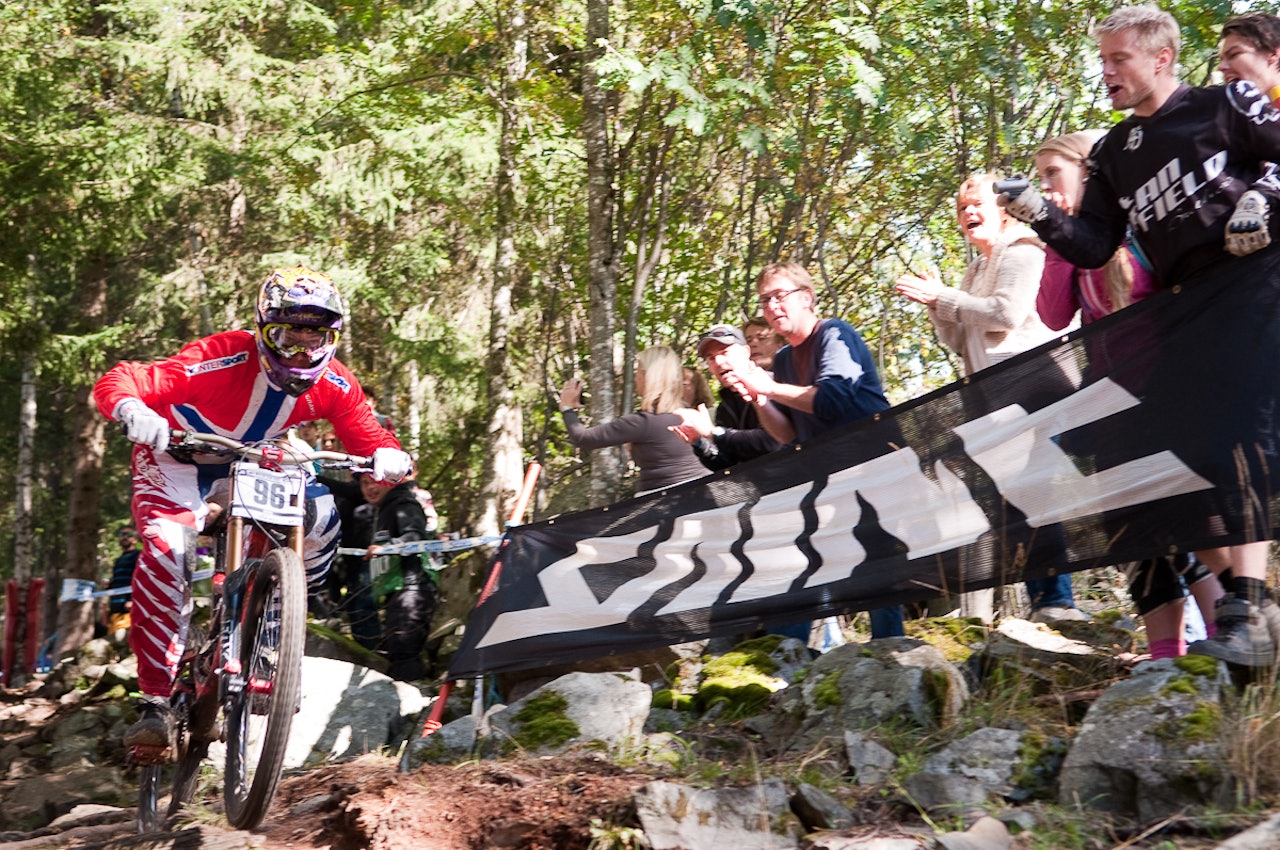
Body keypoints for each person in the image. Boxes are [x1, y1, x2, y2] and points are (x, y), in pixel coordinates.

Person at [998, 5, 1280, 667]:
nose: (1106, 73)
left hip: (1253, 282)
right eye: (1102, 61)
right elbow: (1095, 247)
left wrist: (1264, 197)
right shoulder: (1113, 152)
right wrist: (1037, 212)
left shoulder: (1228, 103)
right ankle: (1251, 609)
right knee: (1159, 463)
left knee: (1233, 439)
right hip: (1186, 310)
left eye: (1118, 59)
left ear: (1161, 58)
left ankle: (1245, 601)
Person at [93, 265, 412, 749]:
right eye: (289, 337)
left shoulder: (335, 383)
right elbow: (128, 377)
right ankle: (155, 700)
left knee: (323, 517)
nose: (303, 351)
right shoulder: (219, 357)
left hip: (258, 460)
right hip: (178, 457)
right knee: (163, 550)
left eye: (317, 338)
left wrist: (387, 452)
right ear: (264, 331)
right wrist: (132, 410)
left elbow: (366, 434)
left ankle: (272, 627)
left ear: (333, 338)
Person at [1034, 130, 1224, 658]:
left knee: (1189, 520)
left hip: (1169, 394)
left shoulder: (1141, 222)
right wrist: (1056, 238)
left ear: (1086, 172)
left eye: (1054, 172)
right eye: (1040, 175)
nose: (1045, 185)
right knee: (1132, 530)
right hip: (1109, 404)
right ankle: (1166, 655)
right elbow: (1052, 314)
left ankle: (1230, 634)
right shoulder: (1071, 242)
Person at [894, 175, 1087, 625]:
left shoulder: (1022, 249)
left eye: (975, 204)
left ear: (1002, 209)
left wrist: (945, 298)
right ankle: (1044, 602)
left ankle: (1058, 600)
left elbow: (1007, 312)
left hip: (1031, 389)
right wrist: (935, 304)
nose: (967, 214)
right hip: (990, 397)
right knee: (1014, 500)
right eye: (961, 208)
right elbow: (959, 340)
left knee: (1037, 492)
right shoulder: (976, 269)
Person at [720, 262, 904, 639]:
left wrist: (768, 388)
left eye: (779, 296)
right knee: (806, 559)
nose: (772, 306)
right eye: (764, 300)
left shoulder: (835, 334)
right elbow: (787, 434)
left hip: (874, 468)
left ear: (807, 298)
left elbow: (832, 400)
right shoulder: (785, 359)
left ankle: (891, 650)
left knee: (877, 559)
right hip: (826, 475)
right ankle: (787, 658)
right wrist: (759, 398)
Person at [558, 346, 707, 495]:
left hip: (663, 502)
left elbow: (582, 438)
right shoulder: (691, 414)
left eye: (637, 372)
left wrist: (567, 408)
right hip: (703, 494)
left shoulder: (642, 422)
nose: (635, 378)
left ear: (648, 377)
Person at [669, 324, 783, 471]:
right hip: (761, 489)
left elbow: (771, 442)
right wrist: (699, 442)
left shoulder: (772, 385)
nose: (718, 362)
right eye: (711, 358)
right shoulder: (726, 405)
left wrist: (714, 432)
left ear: (745, 352)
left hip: (797, 485)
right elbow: (728, 464)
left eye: (724, 353)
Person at [106, 526, 140, 639]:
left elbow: (140, 579)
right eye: (122, 535)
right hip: (115, 609)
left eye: (129, 535)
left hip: (129, 610)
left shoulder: (138, 556)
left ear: (135, 539)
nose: (125, 537)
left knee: (124, 640)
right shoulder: (118, 561)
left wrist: (132, 600)